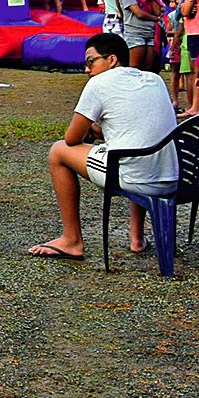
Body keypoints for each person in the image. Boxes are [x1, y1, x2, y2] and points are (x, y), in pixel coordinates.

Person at [29, 32, 179, 261]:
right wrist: (101, 130)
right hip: (169, 175)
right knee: (132, 147)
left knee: (58, 151)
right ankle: (136, 237)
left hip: (135, 177)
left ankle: (72, 240)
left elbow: (71, 138)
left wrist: (91, 130)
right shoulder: (153, 79)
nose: (87, 69)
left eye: (91, 61)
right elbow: (141, 126)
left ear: (112, 60)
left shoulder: (98, 84)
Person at [119, 0, 163, 73]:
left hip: (150, 33)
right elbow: (138, 12)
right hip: (135, 33)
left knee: (148, 70)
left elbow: (158, 11)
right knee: (134, 69)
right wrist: (155, 19)